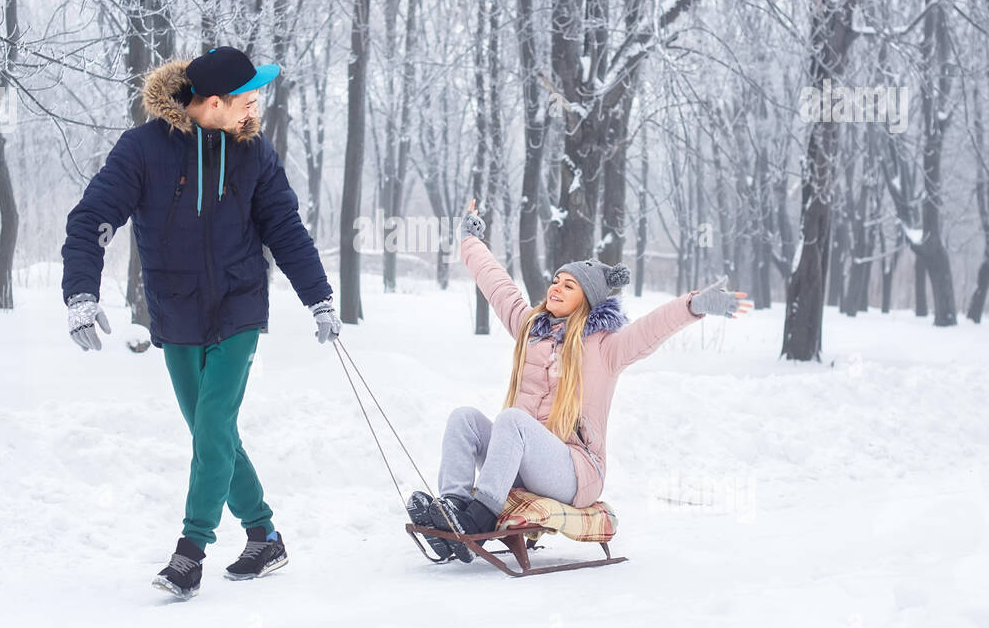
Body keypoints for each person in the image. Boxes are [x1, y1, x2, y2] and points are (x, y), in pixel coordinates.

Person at [61, 46, 341, 599]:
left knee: (213, 424)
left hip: (238, 305)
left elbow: (284, 228)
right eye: (248, 99)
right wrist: (80, 294)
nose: (255, 109)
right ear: (214, 102)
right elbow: (92, 218)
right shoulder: (143, 150)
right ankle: (264, 535)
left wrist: (319, 299)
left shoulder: (253, 153)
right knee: (212, 432)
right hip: (176, 309)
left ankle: (191, 553)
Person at [409, 201, 749, 562]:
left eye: (568, 285)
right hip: (527, 462)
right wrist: (470, 241)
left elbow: (652, 328)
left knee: (511, 419)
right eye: (556, 280)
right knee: (464, 418)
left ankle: (476, 522)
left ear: (586, 299)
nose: (555, 288)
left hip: (576, 470)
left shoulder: (605, 348)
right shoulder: (530, 330)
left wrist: (695, 305)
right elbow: (499, 287)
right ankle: (454, 510)